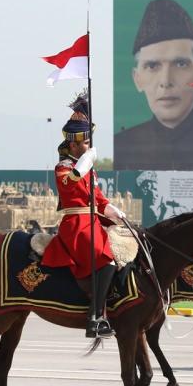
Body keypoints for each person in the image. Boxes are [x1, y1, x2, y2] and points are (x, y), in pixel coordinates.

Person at [41, 91, 127, 339]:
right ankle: (94, 317)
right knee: (107, 260)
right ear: (73, 145)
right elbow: (69, 184)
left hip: (93, 221)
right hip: (76, 225)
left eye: (89, 143)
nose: (89, 147)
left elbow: (98, 199)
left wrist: (113, 211)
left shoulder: (89, 170)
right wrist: (85, 162)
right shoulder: (64, 166)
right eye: (86, 143)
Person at [114, 0, 193, 170]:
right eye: (152, 66)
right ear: (137, 78)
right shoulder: (121, 148)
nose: (165, 81)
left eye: (180, 64)